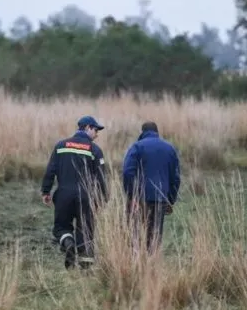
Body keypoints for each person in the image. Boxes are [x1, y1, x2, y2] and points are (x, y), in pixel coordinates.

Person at [40, 115, 108, 269]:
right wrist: (103, 198)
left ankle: (68, 243)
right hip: (86, 196)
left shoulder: (60, 145)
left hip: (63, 195)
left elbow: (51, 170)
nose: (97, 134)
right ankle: (85, 267)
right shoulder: (94, 150)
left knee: (61, 227)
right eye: (96, 129)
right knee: (85, 229)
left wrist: (46, 190)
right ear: (87, 128)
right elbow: (101, 177)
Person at [122, 121, 181, 253]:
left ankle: (135, 265)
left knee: (135, 233)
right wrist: (170, 199)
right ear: (157, 132)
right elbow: (175, 177)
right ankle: (151, 266)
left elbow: (127, 172)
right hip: (160, 198)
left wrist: (132, 196)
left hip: (140, 199)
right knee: (154, 235)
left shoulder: (137, 147)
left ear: (142, 132)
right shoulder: (170, 148)